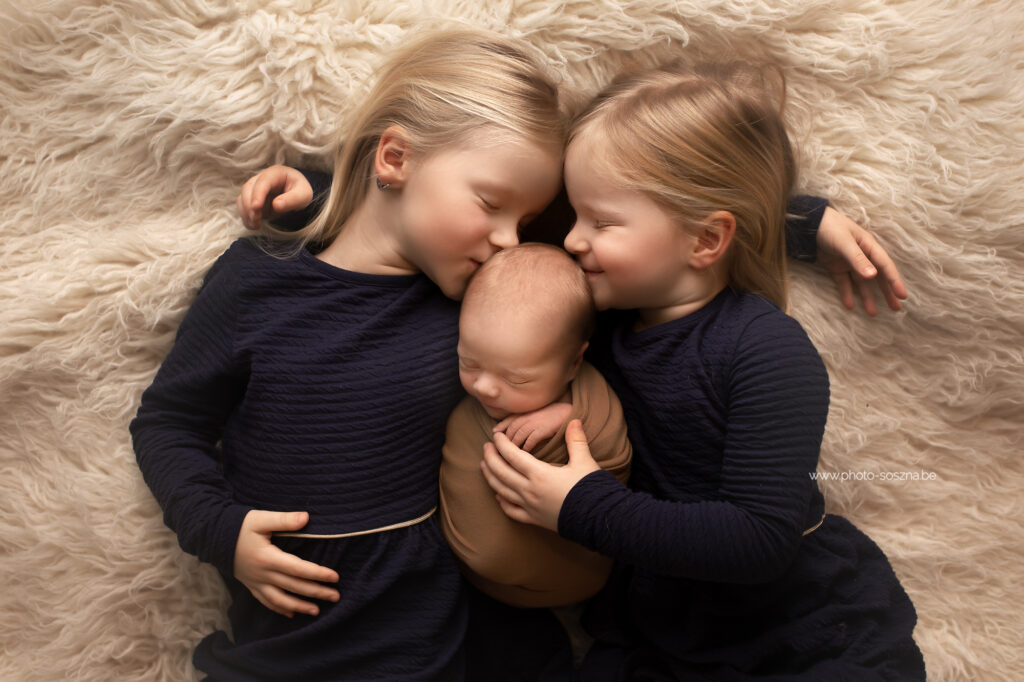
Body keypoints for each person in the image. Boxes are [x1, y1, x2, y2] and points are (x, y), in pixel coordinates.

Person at [130, 28, 566, 681]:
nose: (508, 240)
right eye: (491, 205)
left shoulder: (482, 303)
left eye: (524, 224)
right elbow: (169, 422)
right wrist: (220, 529)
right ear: (394, 158)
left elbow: (604, 251)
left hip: (439, 645)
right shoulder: (261, 280)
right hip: (285, 654)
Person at [479, 61, 926, 679]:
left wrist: (581, 506)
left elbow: (759, 538)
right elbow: (498, 226)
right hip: (660, 631)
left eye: (600, 221)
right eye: (575, 215)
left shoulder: (764, 347)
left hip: (797, 632)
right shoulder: (597, 322)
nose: (574, 240)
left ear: (707, 242)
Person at [440, 243, 631, 610]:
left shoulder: (590, 395)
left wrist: (568, 415)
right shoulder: (469, 409)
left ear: (574, 362)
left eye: (518, 380)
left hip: (573, 581)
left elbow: (614, 457)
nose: (484, 387)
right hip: (473, 583)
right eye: (469, 362)